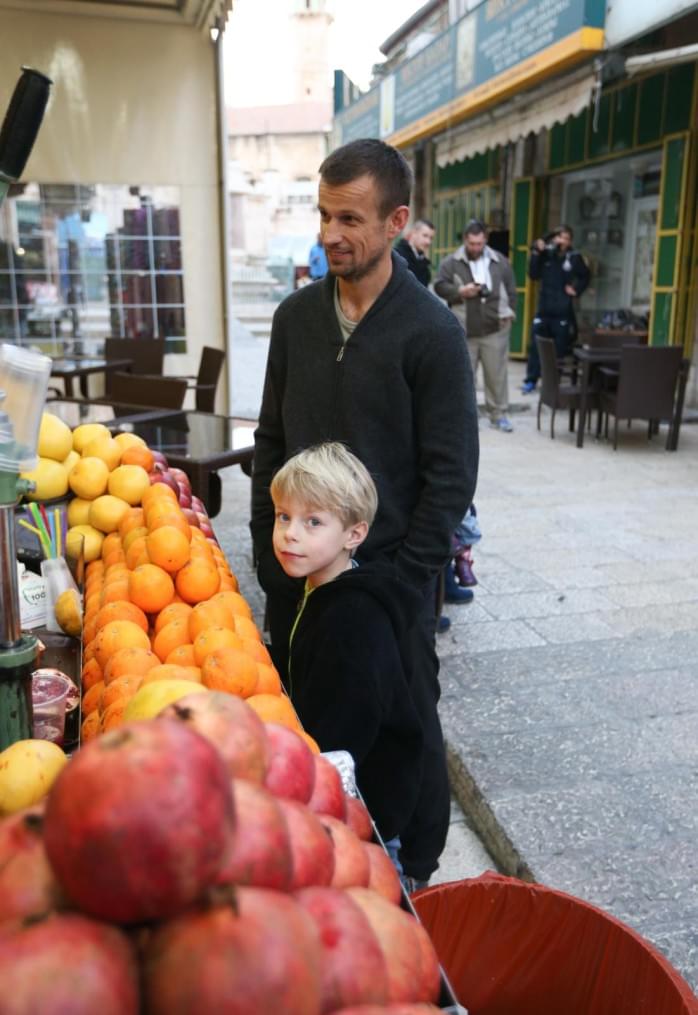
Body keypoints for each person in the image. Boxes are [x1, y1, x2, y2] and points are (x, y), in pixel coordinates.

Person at [251, 137, 479, 884]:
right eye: (323, 214)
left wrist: (406, 584)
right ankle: (318, 860)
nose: (330, 234)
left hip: (391, 586)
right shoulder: (294, 320)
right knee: (307, 733)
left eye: (349, 218)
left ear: (396, 221)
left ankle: (412, 869)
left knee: (405, 731)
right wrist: (268, 549)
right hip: (299, 576)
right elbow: (271, 439)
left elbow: (451, 477)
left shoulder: (433, 334)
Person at [270, 442, 438, 884]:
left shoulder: (351, 621)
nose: (290, 533)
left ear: (354, 534)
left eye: (313, 522)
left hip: (367, 812)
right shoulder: (322, 586)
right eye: (283, 516)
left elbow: (343, 734)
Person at [434, 219, 516, 433]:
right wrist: (460, 292)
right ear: (465, 241)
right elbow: (439, 286)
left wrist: (509, 313)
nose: (475, 248)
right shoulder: (451, 262)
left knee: (496, 375)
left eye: (479, 244)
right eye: (471, 244)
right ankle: (465, 419)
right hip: (464, 330)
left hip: (495, 330)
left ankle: (499, 415)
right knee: (463, 377)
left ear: (485, 240)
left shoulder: (500, 261)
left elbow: (511, 290)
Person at [521, 224, 590, 394]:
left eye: (566, 238)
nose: (562, 241)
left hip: (562, 311)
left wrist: (576, 289)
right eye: (559, 237)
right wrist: (537, 251)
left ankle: (552, 383)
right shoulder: (545, 255)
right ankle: (531, 380)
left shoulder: (574, 257)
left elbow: (585, 276)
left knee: (558, 350)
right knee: (536, 346)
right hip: (544, 309)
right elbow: (533, 274)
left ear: (570, 241)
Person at [394, 219, 435, 287]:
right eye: (425, 235)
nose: (428, 242)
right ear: (413, 233)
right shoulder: (398, 256)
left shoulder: (423, 262)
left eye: (431, 238)